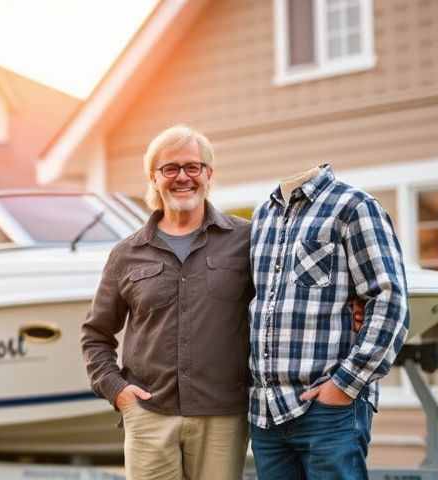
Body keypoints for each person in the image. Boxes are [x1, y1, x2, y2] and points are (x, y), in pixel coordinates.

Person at [81, 125, 252, 480]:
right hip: (148, 414)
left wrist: (353, 308)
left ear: (208, 174)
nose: (182, 177)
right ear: (153, 178)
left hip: (222, 416)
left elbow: (280, 303)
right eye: (170, 168)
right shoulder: (126, 253)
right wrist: (118, 392)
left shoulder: (245, 240)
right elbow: (95, 334)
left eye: (193, 167)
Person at [248, 165, 410, 479]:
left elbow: (390, 301)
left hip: (328, 412)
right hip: (265, 415)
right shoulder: (261, 217)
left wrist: (343, 385)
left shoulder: (354, 207)